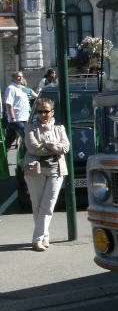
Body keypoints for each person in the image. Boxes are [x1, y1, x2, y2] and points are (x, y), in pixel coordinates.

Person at [23, 97, 70, 252]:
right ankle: (44, 236)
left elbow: (65, 147)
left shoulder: (59, 128)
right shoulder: (31, 128)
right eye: (40, 111)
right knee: (37, 205)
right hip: (36, 170)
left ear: (52, 112)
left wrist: (48, 144)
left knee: (48, 206)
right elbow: (33, 148)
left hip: (56, 170)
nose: (43, 114)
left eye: (46, 111)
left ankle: (36, 239)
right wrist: (54, 147)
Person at [5, 71, 31, 149]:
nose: (21, 78)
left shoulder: (22, 89)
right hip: (16, 119)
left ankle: (2, 154)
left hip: (25, 118)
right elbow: (9, 104)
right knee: (26, 136)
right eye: (19, 76)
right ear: (13, 78)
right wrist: (13, 118)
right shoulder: (11, 88)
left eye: (22, 76)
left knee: (10, 138)